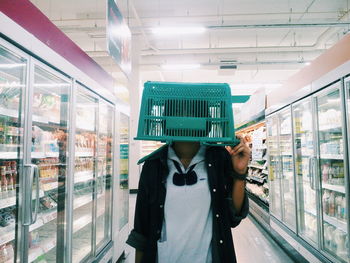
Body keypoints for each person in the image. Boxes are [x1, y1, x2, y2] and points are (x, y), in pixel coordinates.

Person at [126, 136, 250, 263]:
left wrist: (240, 173)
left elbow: (233, 216)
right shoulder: (154, 164)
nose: (185, 119)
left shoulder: (219, 157)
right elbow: (142, 228)